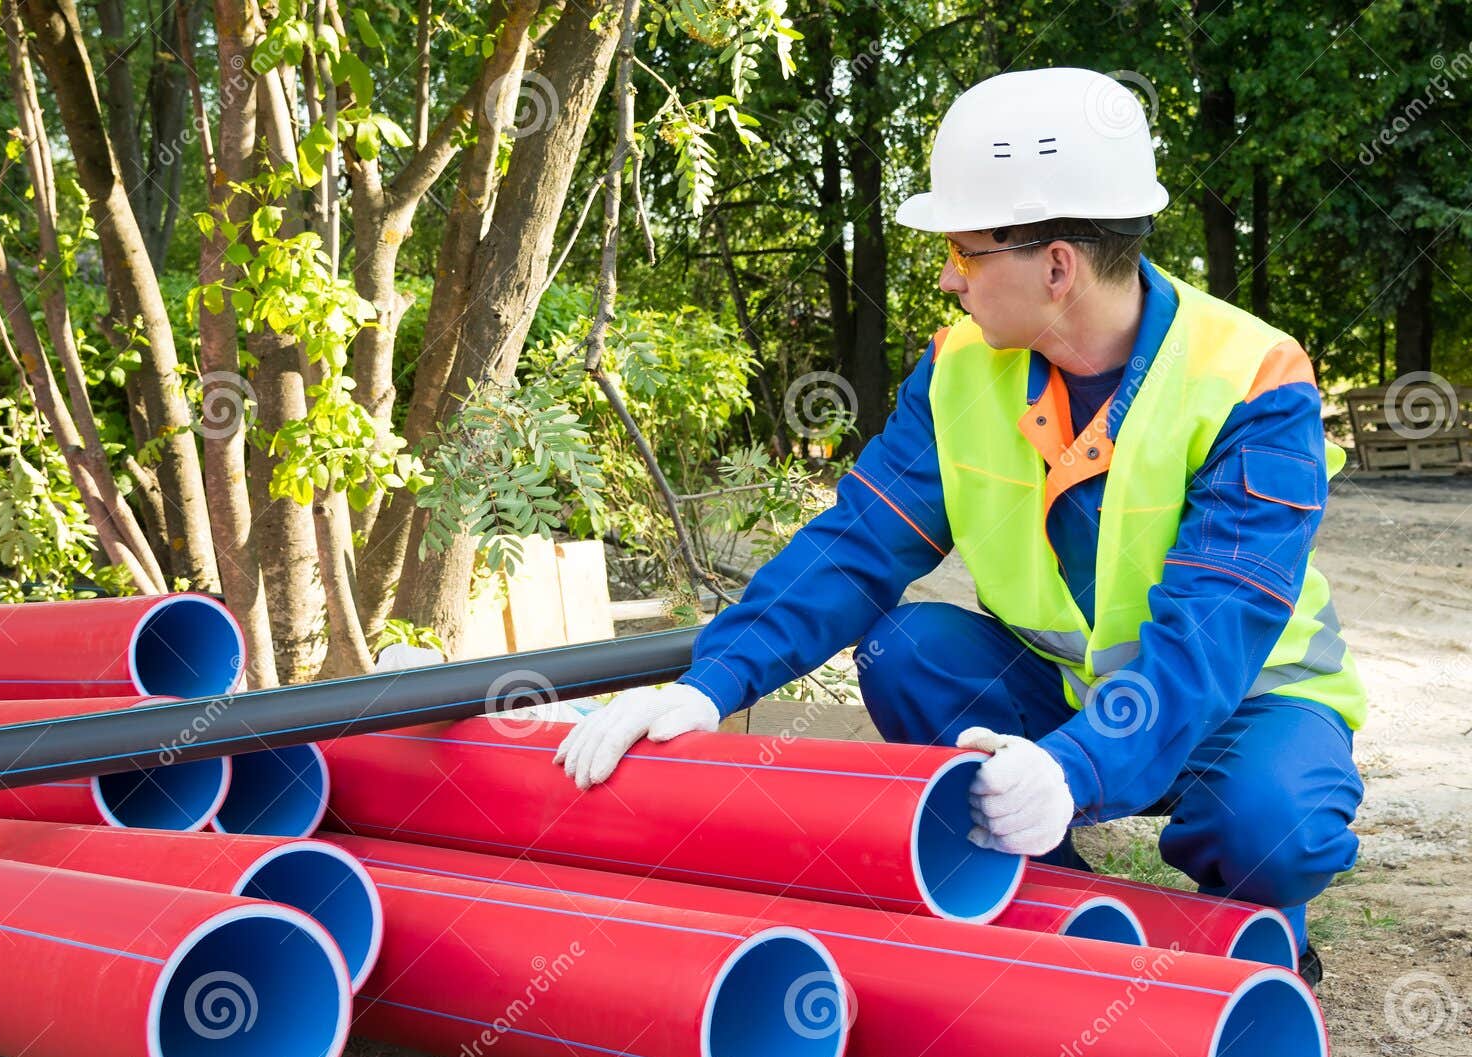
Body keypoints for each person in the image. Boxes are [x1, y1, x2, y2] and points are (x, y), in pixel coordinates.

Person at [554, 67, 1365, 987]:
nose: (948, 278)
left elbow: (1214, 631)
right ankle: (1055, 910)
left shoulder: (1255, 377)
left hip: (1243, 703)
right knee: (908, 647)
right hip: (1068, 688)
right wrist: (711, 682)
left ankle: (1263, 931)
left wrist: (1074, 769)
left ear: (1057, 265)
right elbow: (858, 542)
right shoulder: (959, 369)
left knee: (1273, 822)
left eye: (966, 253)